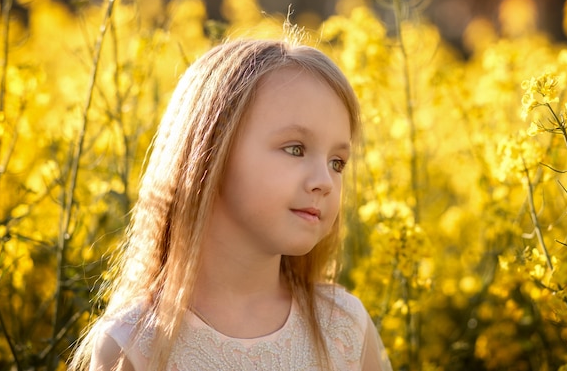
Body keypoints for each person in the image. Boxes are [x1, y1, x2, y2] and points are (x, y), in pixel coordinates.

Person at [68, 38, 392, 371]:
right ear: (211, 152)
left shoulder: (344, 329)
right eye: (295, 149)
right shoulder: (136, 345)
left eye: (337, 162)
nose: (324, 180)